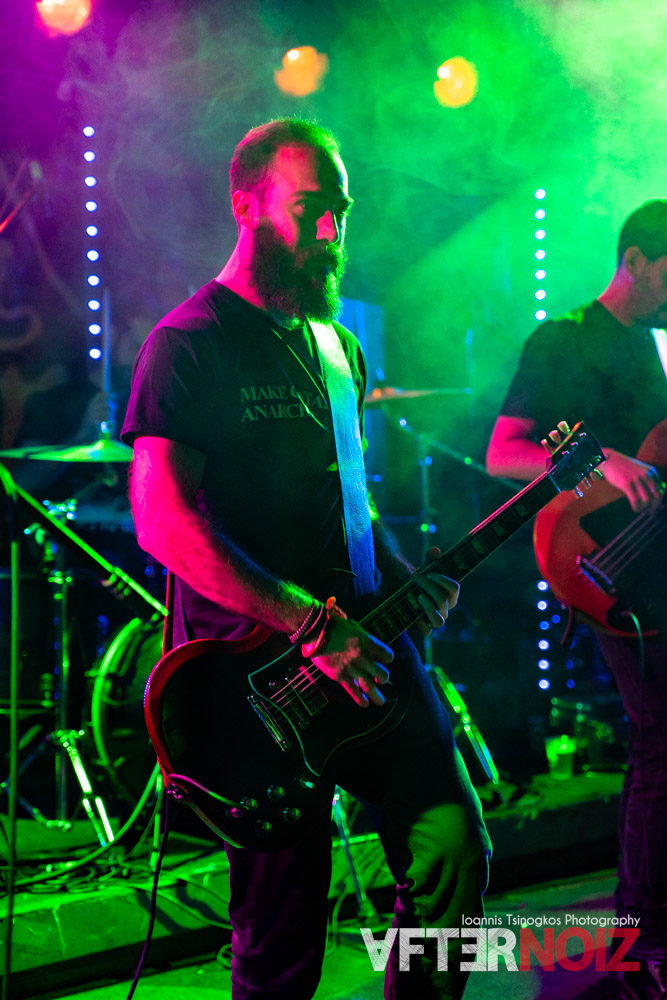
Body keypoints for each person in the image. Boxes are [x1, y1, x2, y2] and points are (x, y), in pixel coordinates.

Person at [121, 118, 491, 1000]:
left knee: (453, 850)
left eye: (342, 212)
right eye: (310, 209)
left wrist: (402, 579)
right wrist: (306, 625)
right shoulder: (191, 342)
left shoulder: (338, 348)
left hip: (367, 656)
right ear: (246, 206)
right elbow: (161, 521)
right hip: (256, 690)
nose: (331, 231)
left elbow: (350, 509)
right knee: (281, 937)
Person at [486, 199, 667, 999]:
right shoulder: (563, 338)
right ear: (634, 262)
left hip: (656, 561)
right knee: (659, 742)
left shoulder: (653, 345)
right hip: (605, 568)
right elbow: (503, 451)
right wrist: (603, 462)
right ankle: (644, 940)